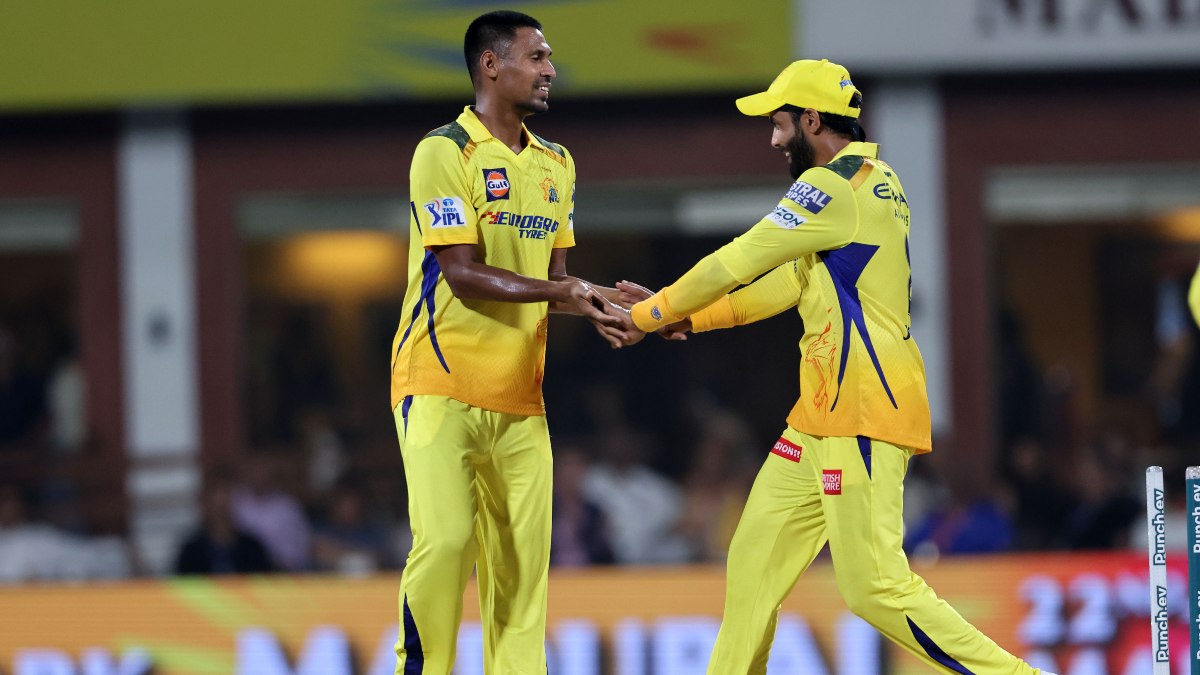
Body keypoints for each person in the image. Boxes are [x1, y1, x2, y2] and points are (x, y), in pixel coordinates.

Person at [611, 60, 1049, 674]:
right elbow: (789, 283)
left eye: (779, 124)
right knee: (754, 561)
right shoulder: (869, 181)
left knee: (875, 587)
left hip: (865, 408)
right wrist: (689, 319)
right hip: (817, 420)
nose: (772, 139)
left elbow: (739, 260)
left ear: (812, 121)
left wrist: (649, 315)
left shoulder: (834, 187)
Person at [388, 10, 624, 675]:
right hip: (438, 384)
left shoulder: (558, 164)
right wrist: (565, 294)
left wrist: (604, 300)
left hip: (521, 400)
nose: (551, 70)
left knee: (520, 573)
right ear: (492, 65)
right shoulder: (444, 151)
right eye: (538, 56)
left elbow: (554, 281)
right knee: (446, 541)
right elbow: (461, 274)